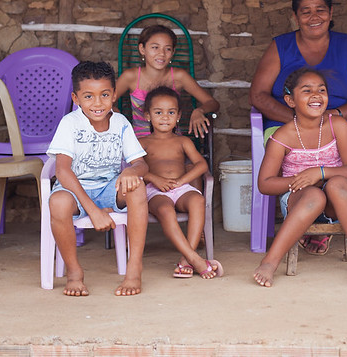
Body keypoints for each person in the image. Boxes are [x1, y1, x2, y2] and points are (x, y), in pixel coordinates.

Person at [250, 0, 347, 255]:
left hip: (336, 118)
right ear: (295, 16)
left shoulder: (346, 44)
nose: (313, 17)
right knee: (284, 159)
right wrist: (297, 120)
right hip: (285, 122)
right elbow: (258, 95)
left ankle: (328, 215)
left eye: (320, 10)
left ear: (331, 13)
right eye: (305, 11)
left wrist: (335, 116)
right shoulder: (280, 46)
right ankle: (309, 215)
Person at [253, 68, 347, 288]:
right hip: (298, 202)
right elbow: (265, 184)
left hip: (335, 205)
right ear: (290, 100)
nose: (316, 95)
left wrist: (320, 173)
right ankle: (269, 263)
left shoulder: (337, 125)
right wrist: (302, 179)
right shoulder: (281, 137)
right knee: (313, 195)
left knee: (337, 183)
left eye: (321, 90)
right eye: (307, 90)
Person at [47, 61, 149, 296]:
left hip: (108, 188)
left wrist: (131, 171)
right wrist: (92, 209)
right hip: (74, 191)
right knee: (58, 202)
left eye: (104, 95)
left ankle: (134, 269)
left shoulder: (121, 123)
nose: (97, 103)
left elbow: (141, 164)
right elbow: (62, 171)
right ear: (76, 98)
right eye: (88, 96)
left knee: (137, 188)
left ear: (114, 95)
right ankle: (74, 273)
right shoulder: (70, 124)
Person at [138, 86, 223, 279]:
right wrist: (156, 179)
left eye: (171, 112)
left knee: (197, 201)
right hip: (155, 190)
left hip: (180, 187)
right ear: (147, 115)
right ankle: (195, 258)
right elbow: (137, 168)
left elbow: (201, 165)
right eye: (158, 112)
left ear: (178, 116)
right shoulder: (142, 143)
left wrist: (181, 181)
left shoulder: (182, 141)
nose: (165, 117)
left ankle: (186, 260)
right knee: (166, 210)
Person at [116, 24, 220, 139]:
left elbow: (212, 103)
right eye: (155, 47)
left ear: (173, 52)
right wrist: (114, 112)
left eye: (168, 49)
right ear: (142, 49)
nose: (162, 53)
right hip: (140, 141)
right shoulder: (131, 77)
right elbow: (105, 101)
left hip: (172, 140)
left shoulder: (179, 76)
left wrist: (199, 110)